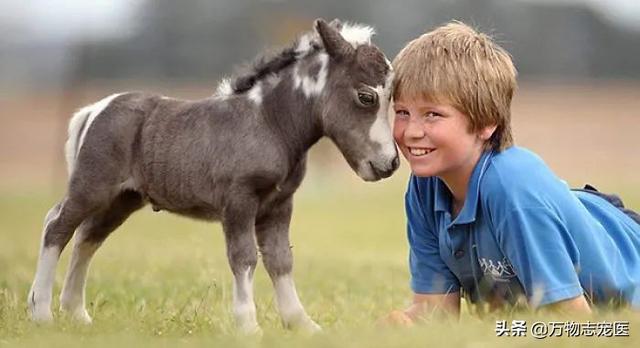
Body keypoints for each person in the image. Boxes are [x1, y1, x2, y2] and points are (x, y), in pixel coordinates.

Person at [384, 21, 640, 324]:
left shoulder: (512, 188)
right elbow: (437, 313)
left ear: (485, 123)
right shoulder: (424, 186)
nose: (411, 131)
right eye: (402, 112)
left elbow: (574, 326)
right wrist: (402, 326)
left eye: (433, 115)